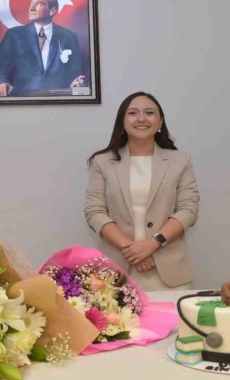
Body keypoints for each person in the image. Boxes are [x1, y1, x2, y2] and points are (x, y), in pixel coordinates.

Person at [84, 92, 199, 290]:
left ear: (160, 121)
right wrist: (132, 250)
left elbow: (188, 210)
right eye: (133, 113)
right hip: (116, 270)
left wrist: (152, 244)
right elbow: (94, 211)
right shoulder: (103, 162)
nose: (141, 119)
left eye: (149, 113)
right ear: (122, 121)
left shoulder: (180, 161)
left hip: (169, 270)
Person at [0, 0, 86, 97]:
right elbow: (0, 65)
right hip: (22, 98)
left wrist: (75, 82)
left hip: (58, 98)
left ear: (52, 11)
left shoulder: (69, 36)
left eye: (39, 4)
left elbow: (75, 71)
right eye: (31, 4)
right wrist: (1, 81)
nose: (31, 8)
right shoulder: (14, 34)